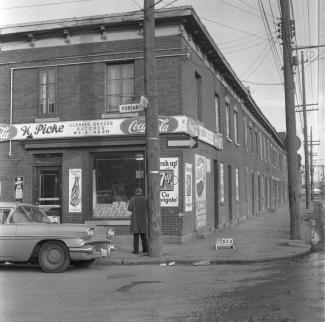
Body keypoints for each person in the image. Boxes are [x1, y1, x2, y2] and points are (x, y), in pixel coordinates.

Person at [128, 187, 148, 254]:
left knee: (136, 236)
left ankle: (136, 251)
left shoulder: (132, 199)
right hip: (143, 220)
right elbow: (148, 208)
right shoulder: (145, 199)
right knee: (144, 236)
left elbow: (129, 208)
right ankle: (145, 249)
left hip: (135, 219)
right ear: (141, 192)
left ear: (136, 192)